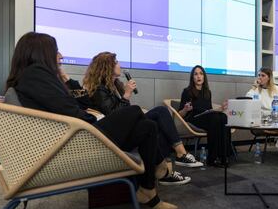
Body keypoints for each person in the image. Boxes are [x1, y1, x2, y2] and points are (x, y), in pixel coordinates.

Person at [6, 31, 177, 209]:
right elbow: (72, 111)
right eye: (56, 51)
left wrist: (64, 78)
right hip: (79, 140)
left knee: (147, 126)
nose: (61, 56)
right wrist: (92, 118)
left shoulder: (31, 78)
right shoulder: (37, 76)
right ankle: (159, 165)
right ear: (40, 53)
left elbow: (80, 102)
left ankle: (149, 191)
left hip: (74, 137)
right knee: (135, 111)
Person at [81, 52, 202, 180]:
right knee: (155, 116)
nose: (119, 64)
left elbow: (124, 112)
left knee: (158, 119)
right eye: (116, 62)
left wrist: (126, 97)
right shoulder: (100, 89)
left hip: (126, 127)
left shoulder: (115, 85)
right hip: (116, 133)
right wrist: (127, 95)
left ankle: (168, 168)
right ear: (107, 67)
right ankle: (179, 156)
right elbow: (114, 116)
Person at [178, 65, 230, 167]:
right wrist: (185, 109)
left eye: (201, 74)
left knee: (223, 117)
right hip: (194, 118)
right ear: (192, 77)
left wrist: (220, 109)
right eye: (196, 74)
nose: (199, 76)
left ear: (204, 77)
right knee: (215, 118)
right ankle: (212, 158)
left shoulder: (207, 92)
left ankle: (224, 156)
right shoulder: (187, 91)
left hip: (207, 117)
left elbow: (209, 110)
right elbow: (180, 114)